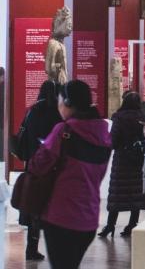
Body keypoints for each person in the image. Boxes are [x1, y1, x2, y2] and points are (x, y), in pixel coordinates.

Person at [28, 80, 111, 269]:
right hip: (89, 218)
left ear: (67, 102)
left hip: (61, 216)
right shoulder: (103, 134)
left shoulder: (64, 131)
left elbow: (38, 165)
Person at [99, 91, 145, 238]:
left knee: (117, 194)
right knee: (135, 193)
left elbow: (114, 140)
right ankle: (132, 224)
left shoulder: (119, 117)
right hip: (137, 159)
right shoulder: (142, 117)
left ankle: (110, 225)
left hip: (122, 159)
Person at [18, 80, 62, 261]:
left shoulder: (32, 111)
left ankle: (31, 247)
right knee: (54, 207)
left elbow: (25, 135)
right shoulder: (57, 114)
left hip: (34, 165)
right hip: (52, 167)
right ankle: (57, 249)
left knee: (34, 208)